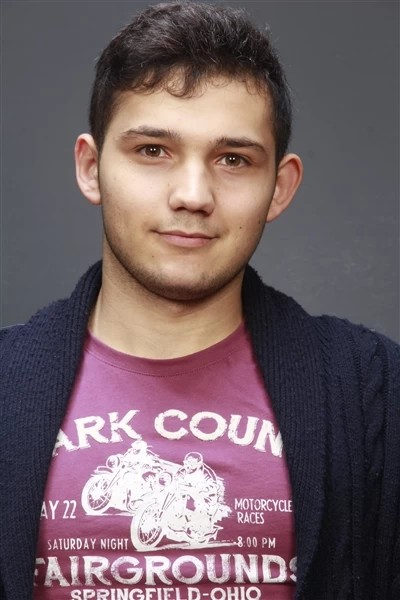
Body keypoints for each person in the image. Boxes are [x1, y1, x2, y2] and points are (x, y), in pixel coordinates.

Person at [1, 1, 399, 599]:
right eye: (152, 150)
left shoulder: (376, 392)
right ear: (90, 168)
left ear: (280, 187)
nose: (193, 194)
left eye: (233, 159)